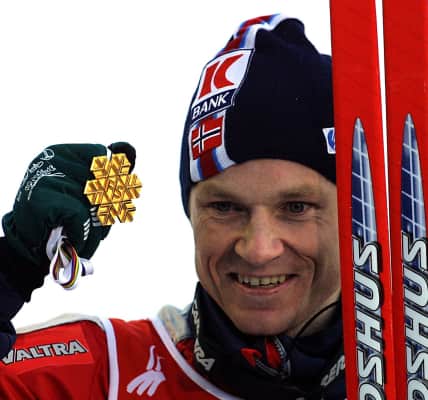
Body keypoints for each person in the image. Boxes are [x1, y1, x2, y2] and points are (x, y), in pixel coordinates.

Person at [0, 14, 345, 399]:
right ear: (191, 213)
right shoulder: (97, 375)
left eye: (296, 207)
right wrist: (10, 269)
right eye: (225, 207)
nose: (258, 249)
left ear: (354, 214)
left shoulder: (402, 372)